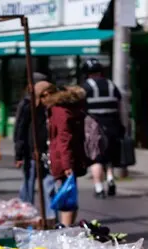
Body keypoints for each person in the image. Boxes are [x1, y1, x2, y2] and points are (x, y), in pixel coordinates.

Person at [43, 84, 90, 227]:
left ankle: (65, 230)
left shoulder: (59, 110)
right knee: (69, 198)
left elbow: (64, 140)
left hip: (63, 159)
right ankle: (65, 230)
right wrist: (68, 164)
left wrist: (67, 164)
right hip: (68, 159)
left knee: (67, 198)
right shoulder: (69, 111)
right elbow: (66, 139)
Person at [14, 74, 56, 223]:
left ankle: (50, 217)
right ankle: (27, 215)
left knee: (48, 185)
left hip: (47, 152)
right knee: (28, 184)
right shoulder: (27, 106)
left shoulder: (51, 107)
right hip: (30, 152)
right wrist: (19, 154)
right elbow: (20, 130)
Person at [80, 58, 124, 198]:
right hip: (113, 125)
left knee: (96, 158)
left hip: (94, 128)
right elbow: (120, 107)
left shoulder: (85, 87)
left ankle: (99, 188)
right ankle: (110, 179)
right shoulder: (112, 85)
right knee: (109, 156)